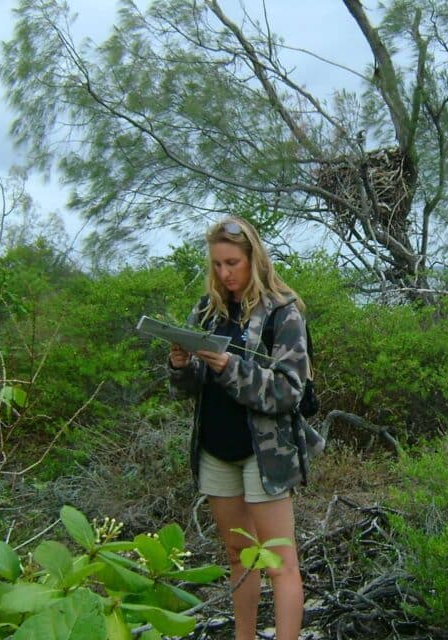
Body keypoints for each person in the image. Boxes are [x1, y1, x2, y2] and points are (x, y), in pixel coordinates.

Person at [168, 216, 315, 640]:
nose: (224, 273)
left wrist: (230, 367)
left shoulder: (283, 312)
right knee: (239, 556)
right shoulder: (206, 310)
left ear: (254, 258)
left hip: (264, 454)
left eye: (232, 263)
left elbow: (289, 392)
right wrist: (181, 366)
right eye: (217, 264)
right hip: (216, 448)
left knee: (279, 561)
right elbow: (188, 390)